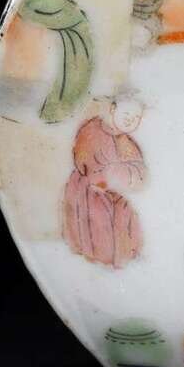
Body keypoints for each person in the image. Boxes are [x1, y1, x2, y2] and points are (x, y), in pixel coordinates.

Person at [62, 93, 146, 268]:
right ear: (113, 109)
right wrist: (114, 175)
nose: (130, 120)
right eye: (127, 114)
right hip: (89, 191)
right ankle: (100, 260)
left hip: (115, 193)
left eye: (136, 118)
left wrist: (126, 175)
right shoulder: (93, 129)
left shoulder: (127, 142)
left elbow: (139, 170)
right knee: (100, 222)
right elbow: (87, 163)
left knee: (126, 217)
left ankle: (125, 259)